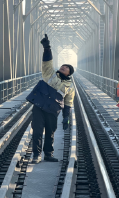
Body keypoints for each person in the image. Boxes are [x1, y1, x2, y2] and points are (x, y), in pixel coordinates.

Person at [26, 34, 75, 163]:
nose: (63, 67)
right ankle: (36, 155)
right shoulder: (50, 74)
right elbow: (47, 62)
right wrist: (47, 48)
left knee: (50, 132)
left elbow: (68, 102)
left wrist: (66, 117)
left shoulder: (70, 87)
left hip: (53, 110)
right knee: (37, 131)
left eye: (66, 68)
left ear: (69, 73)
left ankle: (48, 154)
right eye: (62, 66)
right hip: (39, 107)